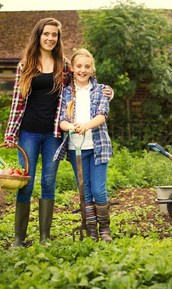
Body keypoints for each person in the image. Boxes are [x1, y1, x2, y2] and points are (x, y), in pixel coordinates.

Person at [4, 19, 112, 248]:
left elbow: (82, 84)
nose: (50, 38)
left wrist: (107, 90)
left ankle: (44, 238)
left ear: (58, 38)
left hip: (54, 133)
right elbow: (17, 102)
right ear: (38, 36)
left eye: (54, 34)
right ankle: (18, 239)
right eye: (46, 34)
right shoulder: (25, 65)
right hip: (28, 133)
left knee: (48, 182)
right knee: (26, 183)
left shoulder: (63, 65)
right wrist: (10, 133)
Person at [54, 48, 113, 242]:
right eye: (79, 66)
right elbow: (61, 120)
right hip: (76, 149)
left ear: (92, 68)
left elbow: (102, 115)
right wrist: (71, 126)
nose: (82, 70)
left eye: (87, 66)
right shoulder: (66, 93)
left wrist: (86, 126)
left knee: (98, 190)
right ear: (72, 68)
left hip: (98, 147)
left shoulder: (100, 90)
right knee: (85, 191)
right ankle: (91, 229)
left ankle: (104, 228)